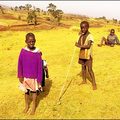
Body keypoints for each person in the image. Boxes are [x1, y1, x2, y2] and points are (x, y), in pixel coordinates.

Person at [17, 33, 43, 115]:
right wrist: (20, 75)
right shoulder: (23, 51)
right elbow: (20, 63)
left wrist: (39, 79)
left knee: (34, 92)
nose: (31, 43)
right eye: (29, 41)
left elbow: (40, 66)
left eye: (33, 41)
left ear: (35, 41)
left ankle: (33, 106)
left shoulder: (37, 53)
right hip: (25, 77)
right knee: (26, 92)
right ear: (26, 41)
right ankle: (27, 106)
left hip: (34, 77)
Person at [75, 21, 97, 90]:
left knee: (90, 70)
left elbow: (88, 46)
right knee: (83, 68)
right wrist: (79, 36)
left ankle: (94, 84)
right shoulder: (81, 35)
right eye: (81, 28)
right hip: (82, 55)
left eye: (84, 28)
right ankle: (84, 80)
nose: (83, 29)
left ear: (88, 27)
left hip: (88, 55)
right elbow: (78, 43)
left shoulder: (90, 36)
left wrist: (79, 45)